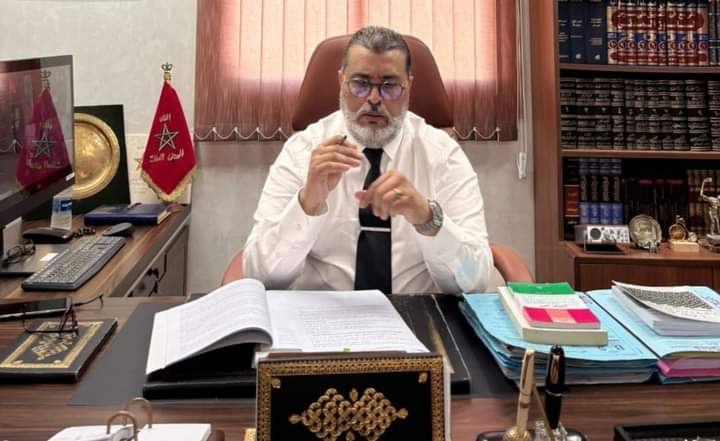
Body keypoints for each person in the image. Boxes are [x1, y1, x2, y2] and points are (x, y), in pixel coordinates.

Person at [243, 26, 492, 294]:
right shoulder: (302, 151)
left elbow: (474, 283)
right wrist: (307, 203)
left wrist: (427, 218)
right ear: (341, 82)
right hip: (324, 309)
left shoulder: (443, 155)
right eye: (360, 84)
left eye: (389, 86)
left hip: (417, 311)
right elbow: (262, 277)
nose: (374, 99)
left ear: (408, 86)